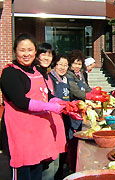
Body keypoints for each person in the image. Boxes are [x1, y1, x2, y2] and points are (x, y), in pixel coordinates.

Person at [0, 34, 66, 180]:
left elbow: (47, 95)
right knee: (23, 174)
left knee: (37, 174)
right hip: (20, 136)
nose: (26, 54)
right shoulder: (10, 73)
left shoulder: (37, 72)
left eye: (30, 50)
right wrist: (49, 107)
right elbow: (21, 102)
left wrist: (61, 103)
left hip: (38, 135)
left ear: (35, 51)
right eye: (22, 50)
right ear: (15, 51)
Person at [35, 42, 66, 180]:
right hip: (39, 129)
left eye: (49, 55)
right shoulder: (34, 74)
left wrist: (66, 105)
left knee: (53, 166)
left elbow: (50, 97)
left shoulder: (46, 76)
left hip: (53, 125)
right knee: (44, 169)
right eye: (43, 54)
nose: (47, 58)